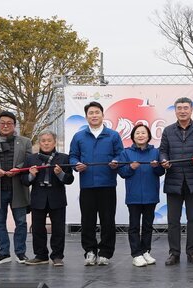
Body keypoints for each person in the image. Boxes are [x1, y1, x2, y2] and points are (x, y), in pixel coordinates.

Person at [69, 101, 123, 266]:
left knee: (108, 221)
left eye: (97, 112)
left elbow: (121, 154)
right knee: (87, 221)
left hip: (107, 184)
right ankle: (90, 252)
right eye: (90, 113)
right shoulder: (79, 136)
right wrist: (76, 165)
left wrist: (116, 161)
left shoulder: (113, 135)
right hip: (87, 186)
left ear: (102, 115)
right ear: (86, 117)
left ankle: (105, 253)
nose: (94, 115)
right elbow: (73, 156)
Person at [158, 97, 193, 266]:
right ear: (175, 111)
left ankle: (192, 252)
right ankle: (174, 253)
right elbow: (163, 151)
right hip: (174, 180)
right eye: (179, 108)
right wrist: (164, 160)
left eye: (185, 108)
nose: (182, 111)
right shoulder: (168, 131)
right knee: (173, 221)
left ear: (191, 110)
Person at [0, 111, 32, 264]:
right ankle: (3, 252)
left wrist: (19, 169)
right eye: (2, 123)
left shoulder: (25, 142)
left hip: (18, 188)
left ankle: (20, 253)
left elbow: (30, 161)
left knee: (21, 222)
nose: (5, 126)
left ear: (14, 125)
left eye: (9, 123)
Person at [22, 130, 74, 266]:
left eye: (49, 140)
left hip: (57, 197)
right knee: (38, 229)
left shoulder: (63, 158)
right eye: (43, 141)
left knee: (58, 229)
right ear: (39, 143)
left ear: (54, 142)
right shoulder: (31, 159)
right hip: (38, 197)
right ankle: (41, 256)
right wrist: (31, 175)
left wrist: (60, 174)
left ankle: (57, 256)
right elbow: (24, 181)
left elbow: (70, 179)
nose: (46, 143)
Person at [117, 124, 165, 268]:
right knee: (134, 226)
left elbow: (161, 172)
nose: (140, 135)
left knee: (148, 226)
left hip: (151, 195)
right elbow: (122, 172)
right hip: (134, 195)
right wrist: (130, 168)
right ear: (133, 136)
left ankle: (145, 251)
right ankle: (136, 254)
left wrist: (157, 167)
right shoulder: (126, 153)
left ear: (148, 136)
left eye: (143, 133)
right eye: (137, 133)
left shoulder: (156, 152)